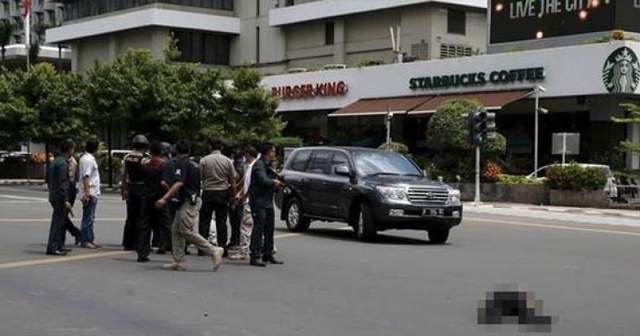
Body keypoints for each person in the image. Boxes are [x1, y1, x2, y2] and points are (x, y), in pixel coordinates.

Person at [155, 140, 224, 271]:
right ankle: (178, 260)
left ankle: (213, 250)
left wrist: (164, 198)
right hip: (188, 200)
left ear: (175, 152)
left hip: (189, 201)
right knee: (176, 230)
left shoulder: (182, 163)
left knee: (187, 231)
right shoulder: (194, 164)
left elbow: (179, 183)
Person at [198, 138, 237, 255]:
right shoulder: (227, 161)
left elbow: (200, 177)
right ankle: (223, 247)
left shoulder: (204, 160)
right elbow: (233, 180)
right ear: (221, 148)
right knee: (221, 221)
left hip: (208, 192)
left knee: (204, 220)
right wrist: (233, 196)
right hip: (222, 192)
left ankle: (202, 248)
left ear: (210, 147)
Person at [249, 142, 284, 267]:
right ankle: (255, 255)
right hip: (259, 202)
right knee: (259, 228)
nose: (275, 154)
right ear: (268, 152)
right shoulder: (259, 165)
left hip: (267, 201)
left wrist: (277, 185)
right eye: (273, 151)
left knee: (269, 228)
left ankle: (267, 254)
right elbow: (262, 180)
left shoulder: (268, 165)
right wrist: (273, 182)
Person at [136, 142, 170, 262]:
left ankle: (142, 252)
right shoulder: (164, 165)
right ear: (162, 152)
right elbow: (164, 182)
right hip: (160, 197)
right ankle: (166, 246)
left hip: (147, 197)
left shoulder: (145, 164)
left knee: (145, 226)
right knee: (166, 224)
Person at [229, 146, 259, 261]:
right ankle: (266, 246)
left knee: (246, 226)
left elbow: (250, 185)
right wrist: (238, 191)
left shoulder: (254, 167)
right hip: (250, 199)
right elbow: (244, 182)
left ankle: (243, 251)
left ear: (248, 154)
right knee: (255, 225)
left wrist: (242, 195)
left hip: (251, 200)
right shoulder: (249, 166)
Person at [46, 139, 75, 256]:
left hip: (53, 194)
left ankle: (58, 245)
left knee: (60, 222)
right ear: (69, 150)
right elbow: (63, 183)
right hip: (59, 196)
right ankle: (53, 247)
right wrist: (66, 200)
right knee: (57, 223)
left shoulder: (55, 161)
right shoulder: (63, 164)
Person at [121, 134, 149, 250]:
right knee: (141, 216)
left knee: (130, 215)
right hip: (142, 188)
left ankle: (128, 242)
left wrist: (125, 189)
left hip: (131, 187)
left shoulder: (127, 157)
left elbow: (123, 175)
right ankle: (138, 242)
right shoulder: (145, 159)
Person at [77, 138, 102, 249]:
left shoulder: (87, 158)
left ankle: (90, 238)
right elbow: (86, 176)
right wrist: (87, 193)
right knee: (88, 218)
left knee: (91, 217)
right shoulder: (88, 160)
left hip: (93, 191)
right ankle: (85, 240)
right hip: (90, 192)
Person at [227, 147, 245, 256]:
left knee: (235, 218)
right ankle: (234, 239)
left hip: (236, 194)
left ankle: (236, 240)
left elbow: (236, 177)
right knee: (235, 218)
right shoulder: (240, 163)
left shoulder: (238, 164)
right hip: (237, 194)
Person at [64, 154, 82, 246]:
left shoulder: (72, 162)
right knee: (62, 216)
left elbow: (73, 177)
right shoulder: (66, 160)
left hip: (69, 188)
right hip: (68, 187)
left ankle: (76, 232)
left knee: (62, 215)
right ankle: (76, 232)